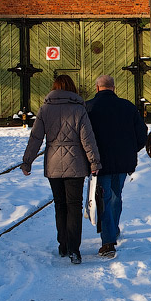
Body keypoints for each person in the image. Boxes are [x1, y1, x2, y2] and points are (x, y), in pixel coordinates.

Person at [21, 74, 101, 264]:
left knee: (60, 205)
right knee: (74, 205)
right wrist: (94, 162)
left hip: (53, 163)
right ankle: (74, 249)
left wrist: (27, 162)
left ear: (54, 88)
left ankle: (63, 245)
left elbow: (35, 138)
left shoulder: (45, 109)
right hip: (76, 164)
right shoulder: (79, 109)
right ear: (72, 89)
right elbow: (87, 139)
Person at [85, 74, 148, 259]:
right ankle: (113, 229)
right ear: (114, 88)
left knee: (104, 200)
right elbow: (142, 135)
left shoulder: (88, 107)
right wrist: (130, 150)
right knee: (116, 196)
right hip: (122, 162)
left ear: (97, 88)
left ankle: (108, 243)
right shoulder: (127, 106)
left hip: (99, 163)